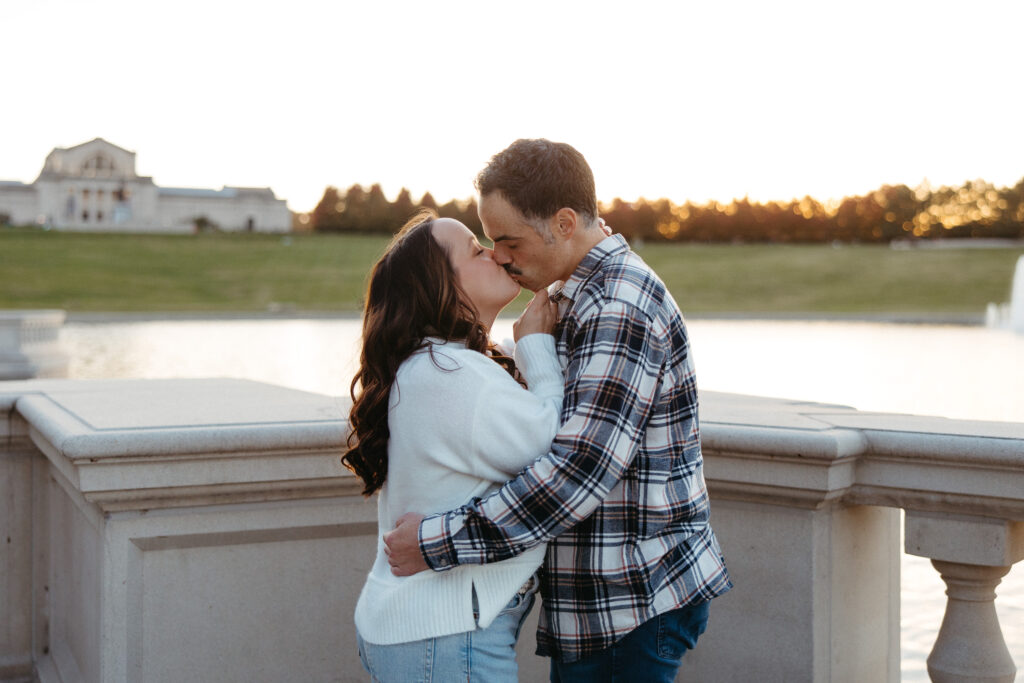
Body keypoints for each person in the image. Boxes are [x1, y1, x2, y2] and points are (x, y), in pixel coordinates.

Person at [384, 139, 732, 683]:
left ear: (564, 223)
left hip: (629, 603)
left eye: (508, 241)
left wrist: (436, 542)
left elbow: (577, 474)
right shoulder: (569, 296)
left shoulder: (617, 305)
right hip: (603, 600)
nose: (499, 255)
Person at [344, 209, 567, 682]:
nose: (494, 252)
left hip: (427, 635)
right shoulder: (449, 374)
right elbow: (557, 450)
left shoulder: (438, 367)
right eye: (474, 249)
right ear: (439, 287)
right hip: (442, 642)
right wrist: (538, 347)